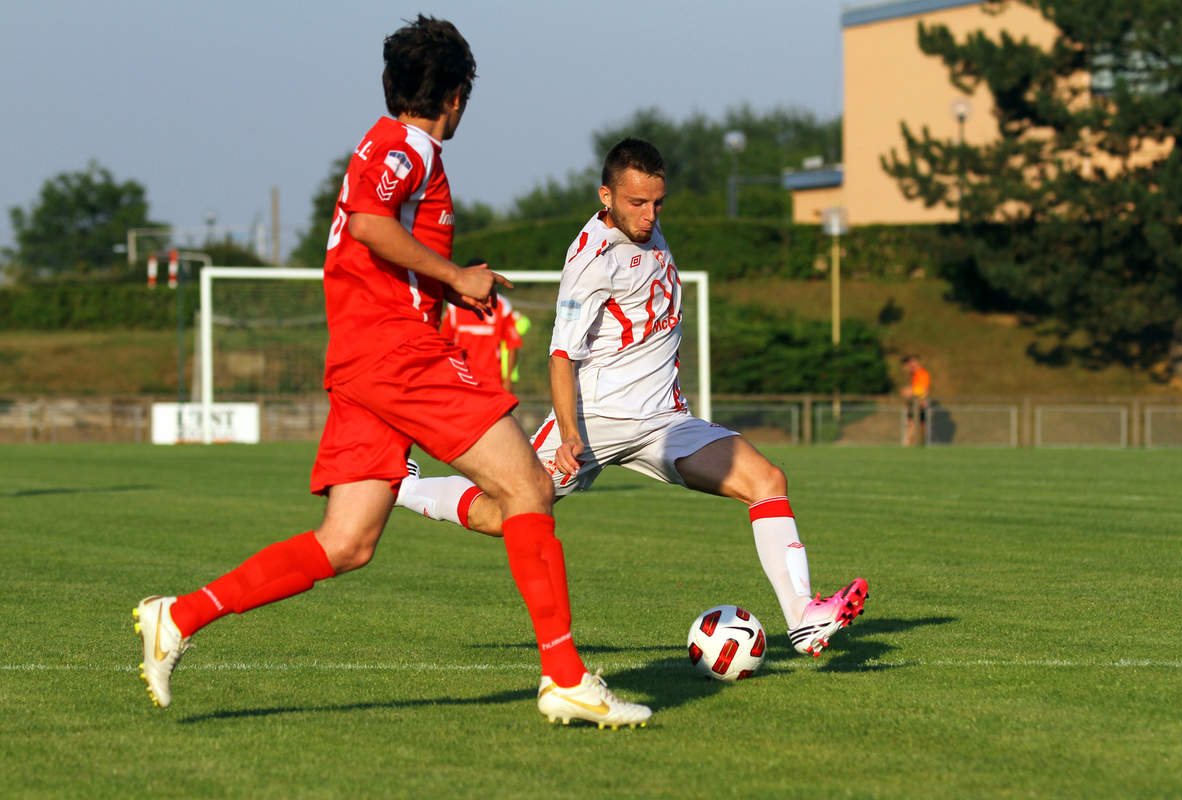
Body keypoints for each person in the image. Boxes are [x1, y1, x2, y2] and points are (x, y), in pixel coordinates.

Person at [133, 16, 649, 730]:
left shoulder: (393, 147)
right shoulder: (403, 145)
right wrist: (457, 277)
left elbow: (372, 238)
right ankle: (565, 678)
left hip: (363, 359)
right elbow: (370, 223)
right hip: (394, 351)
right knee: (528, 486)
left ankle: (179, 615)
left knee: (347, 542)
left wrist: (447, 285)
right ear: (457, 96)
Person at [395, 138, 869, 658]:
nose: (649, 215)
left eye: (657, 203)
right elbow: (560, 355)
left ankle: (802, 618)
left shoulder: (647, 227)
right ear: (606, 197)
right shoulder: (592, 261)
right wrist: (569, 433)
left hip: (665, 422)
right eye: (636, 203)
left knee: (767, 481)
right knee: (499, 515)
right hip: (595, 423)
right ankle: (402, 486)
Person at [440, 258, 526, 391]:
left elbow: (512, 344)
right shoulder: (454, 307)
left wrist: (508, 379)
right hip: (462, 379)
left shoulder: (501, 306)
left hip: (492, 381)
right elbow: (444, 343)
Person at [901, 354, 931, 446]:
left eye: (913, 362)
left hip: (920, 402)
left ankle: (911, 443)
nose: (911, 365)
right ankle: (909, 443)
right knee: (912, 422)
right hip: (915, 402)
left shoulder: (922, 374)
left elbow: (924, 390)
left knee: (918, 424)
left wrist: (911, 391)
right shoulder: (914, 374)